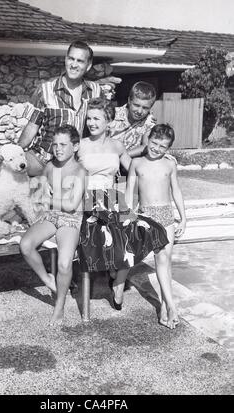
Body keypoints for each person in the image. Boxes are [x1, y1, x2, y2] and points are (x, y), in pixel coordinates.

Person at [77, 97, 169, 310]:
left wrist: (162, 160)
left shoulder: (117, 146)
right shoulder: (79, 146)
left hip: (113, 197)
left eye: (97, 118)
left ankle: (118, 282)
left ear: (108, 120)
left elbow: (136, 168)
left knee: (144, 228)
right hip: (89, 199)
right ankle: (115, 276)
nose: (91, 123)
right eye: (89, 118)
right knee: (118, 230)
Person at [20, 124, 86, 324]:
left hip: (71, 219)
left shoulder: (80, 170)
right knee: (25, 245)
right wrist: (40, 192)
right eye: (55, 144)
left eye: (63, 144)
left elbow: (72, 204)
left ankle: (60, 304)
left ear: (75, 147)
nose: (58, 149)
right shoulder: (49, 167)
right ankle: (48, 279)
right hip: (50, 216)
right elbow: (39, 192)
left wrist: (49, 200)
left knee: (64, 264)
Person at [125, 124, 186, 329]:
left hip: (166, 214)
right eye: (154, 143)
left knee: (165, 260)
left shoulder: (169, 165)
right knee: (161, 258)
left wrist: (184, 218)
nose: (157, 148)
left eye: (163, 146)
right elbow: (128, 193)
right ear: (147, 139)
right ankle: (171, 305)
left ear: (168, 148)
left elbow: (176, 190)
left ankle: (164, 305)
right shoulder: (136, 163)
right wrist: (128, 217)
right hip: (147, 216)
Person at [18, 40, 101, 176]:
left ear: (88, 66)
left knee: (97, 190)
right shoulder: (45, 90)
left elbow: (101, 126)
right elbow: (32, 127)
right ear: (65, 59)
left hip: (75, 164)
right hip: (42, 161)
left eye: (80, 61)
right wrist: (16, 151)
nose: (74, 65)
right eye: (71, 59)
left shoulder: (95, 91)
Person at [109, 81, 157, 158]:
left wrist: (123, 156)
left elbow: (146, 146)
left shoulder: (149, 121)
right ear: (129, 101)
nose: (139, 111)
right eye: (136, 105)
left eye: (145, 108)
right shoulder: (113, 114)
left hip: (130, 160)